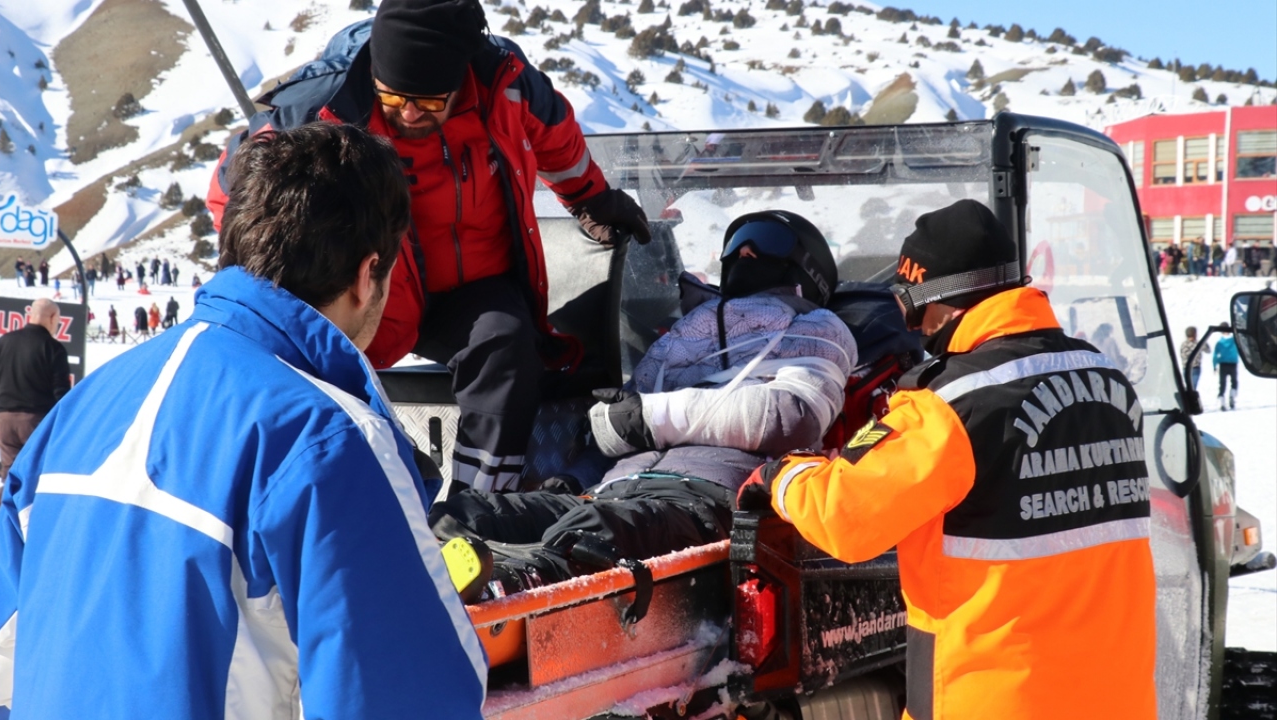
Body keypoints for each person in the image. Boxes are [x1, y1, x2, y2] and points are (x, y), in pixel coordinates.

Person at [0, 123, 486, 718]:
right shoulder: (325, 439)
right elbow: (404, 699)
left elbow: (5, 650)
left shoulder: (78, 411)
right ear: (367, 275)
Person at [736, 199, 1157, 720]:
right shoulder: (1107, 380)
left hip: (992, 701)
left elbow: (845, 517)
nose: (912, 326)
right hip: (1117, 699)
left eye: (907, 304)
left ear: (935, 299)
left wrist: (784, 475)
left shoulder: (952, 404)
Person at [208, 0, 651, 493]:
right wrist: (258, 268)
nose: (410, 112)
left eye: (429, 101)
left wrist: (591, 197)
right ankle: (368, 480)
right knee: (324, 374)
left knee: (507, 348)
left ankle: (483, 502)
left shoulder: (505, 85)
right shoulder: (321, 109)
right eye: (393, 97)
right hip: (368, 288)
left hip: (474, 285)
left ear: (461, 78)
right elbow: (233, 190)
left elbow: (556, 137)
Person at [432, 210, 855, 599]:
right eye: (735, 243)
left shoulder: (816, 327)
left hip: (702, 501)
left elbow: (790, 416)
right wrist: (574, 478)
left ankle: (498, 592)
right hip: (611, 494)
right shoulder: (684, 333)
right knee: (467, 513)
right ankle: (425, 576)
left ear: (809, 269)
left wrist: (650, 417)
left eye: (766, 240)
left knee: (589, 535)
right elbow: (623, 431)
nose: (744, 251)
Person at [0, 299, 70, 488]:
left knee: (11, 478)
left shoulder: (4, 341)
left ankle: (5, 505)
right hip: (35, 422)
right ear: (52, 318)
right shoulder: (53, 348)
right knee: (34, 480)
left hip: (4, 421)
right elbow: (61, 392)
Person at [1213, 324, 1238, 411]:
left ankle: (1222, 402)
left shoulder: (1219, 343)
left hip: (1223, 364)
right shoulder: (1234, 340)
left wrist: (1214, 366)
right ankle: (1232, 396)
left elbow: (1215, 356)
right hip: (1233, 363)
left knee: (1222, 383)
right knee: (1234, 382)